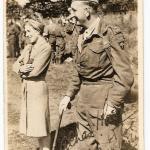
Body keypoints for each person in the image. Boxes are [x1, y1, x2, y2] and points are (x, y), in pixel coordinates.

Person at [59, 0, 134, 149]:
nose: (70, 15)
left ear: (87, 11)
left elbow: (124, 74)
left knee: (109, 145)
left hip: (104, 101)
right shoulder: (81, 35)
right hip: (83, 102)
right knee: (85, 145)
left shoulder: (109, 33)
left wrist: (113, 102)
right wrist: (69, 94)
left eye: (74, 10)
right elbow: (78, 70)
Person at [13, 19, 51, 150]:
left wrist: (22, 70)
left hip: (38, 89)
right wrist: (21, 68)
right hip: (28, 88)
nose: (26, 34)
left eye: (29, 31)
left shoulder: (45, 48)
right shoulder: (29, 47)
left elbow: (35, 71)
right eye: (25, 31)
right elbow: (15, 64)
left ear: (38, 31)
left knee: (42, 125)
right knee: (35, 125)